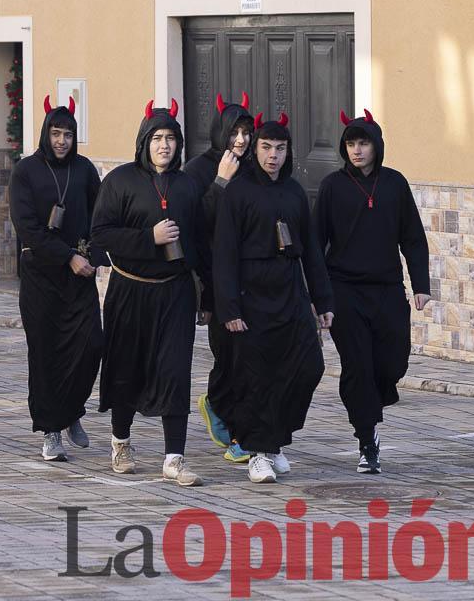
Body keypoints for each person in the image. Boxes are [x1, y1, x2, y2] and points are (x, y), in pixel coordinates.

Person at [91, 99, 212, 487]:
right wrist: (149, 237)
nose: (164, 145)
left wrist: (206, 295)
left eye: (171, 138)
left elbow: (203, 241)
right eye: (157, 138)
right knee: (127, 366)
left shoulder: (188, 185)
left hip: (175, 293)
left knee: (175, 372)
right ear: (144, 142)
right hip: (130, 291)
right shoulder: (120, 181)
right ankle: (121, 441)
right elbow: (101, 235)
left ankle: (174, 457)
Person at [213, 112, 334, 484]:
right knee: (258, 376)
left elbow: (311, 249)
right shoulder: (238, 191)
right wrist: (228, 306)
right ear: (256, 149)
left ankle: (276, 440)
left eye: (280, 149)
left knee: (309, 365)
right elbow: (224, 251)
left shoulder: (294, 191)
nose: (273, 156)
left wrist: (323, 300)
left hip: (290, 288)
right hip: (251, 293)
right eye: (266, 147)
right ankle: (256, 451)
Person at [316, 108, 430, 474]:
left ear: (376, 146)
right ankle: (367, 439)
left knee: (394, 360)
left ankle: (371, 402)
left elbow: (413, 238)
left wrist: (421, 286)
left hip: (387, 289)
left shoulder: (395, 184)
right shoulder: (333, 186)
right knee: (358, 366)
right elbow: (317, 243)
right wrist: (316, 296)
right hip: (344, 290)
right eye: (350, 143)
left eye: (363, 143)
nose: (357, 150)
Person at [8, 95, 106, 462]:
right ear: (45, 134)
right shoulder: (26, 171)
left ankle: (72, 411)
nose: (62, 141)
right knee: (45, 354)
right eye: (56, 133)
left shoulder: (84, 170)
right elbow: (27, 227)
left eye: (68, 134)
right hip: (41, 277)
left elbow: (101, 218)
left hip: (79, 278)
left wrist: (92, 256)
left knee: (92, 344)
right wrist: (68, 258)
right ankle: (51, 428)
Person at [182, 92, 254, 464]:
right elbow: (196, 227)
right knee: (228, 355)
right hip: (216, 283)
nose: (241, 140)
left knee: (250, 358)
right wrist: (221, 182)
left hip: (254, 281)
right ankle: (221, 409)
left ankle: (239, 424)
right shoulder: (197, 170)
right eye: (234, 132)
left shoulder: (254, 166)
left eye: (246, 132)